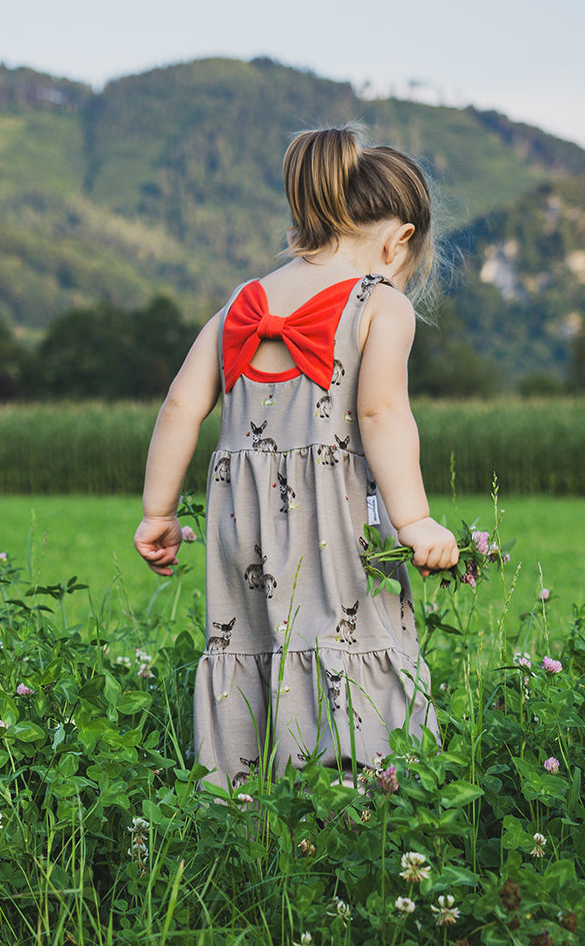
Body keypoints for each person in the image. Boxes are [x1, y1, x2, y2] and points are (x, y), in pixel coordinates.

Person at [133, 126, 459, 789]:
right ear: (399, 240)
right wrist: (416, 519)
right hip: (335, 526)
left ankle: (249, 807)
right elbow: (381, 414)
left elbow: (178, 407)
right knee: (352, 638)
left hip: (241, 527)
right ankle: (363, 805)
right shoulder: (379, 305)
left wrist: (157, 512)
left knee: (253, 646)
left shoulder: (242, 305)